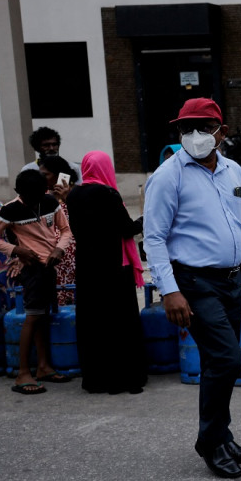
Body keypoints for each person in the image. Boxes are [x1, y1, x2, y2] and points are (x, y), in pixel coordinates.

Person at [143, 98, 241, 479]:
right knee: (227, 360)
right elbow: (154, 238)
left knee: (217, 363)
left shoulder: (233, 171)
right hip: (193, 282)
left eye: (204, 127)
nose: (195, 136)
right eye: (186, 128)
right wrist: (170, 291)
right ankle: (210, 442)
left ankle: (221, 435)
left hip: (231, 280)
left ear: (221, 132)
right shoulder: (168, 175)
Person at [66, 151, 148, 395]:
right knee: (120, 321)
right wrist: (145, 218)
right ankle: (126, 379)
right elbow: (126, 228)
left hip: (88, 269)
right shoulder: (108, 194)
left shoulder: (74, 195)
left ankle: (97, 378)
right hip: (113, 268)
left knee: (94, 322)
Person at [0, 170, 74, 394]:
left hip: (49, 266)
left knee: (42, 317)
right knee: (32, 317)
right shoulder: (11, 209)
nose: (33, 200)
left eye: (37, 195)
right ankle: (23, 373)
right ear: (18, 193)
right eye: (28, 196)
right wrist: (16, 250)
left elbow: (65, 230)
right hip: (31, 269)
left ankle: (43, 367)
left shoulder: (49, 201)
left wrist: (59, 249)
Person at [39, 155, 79, 306]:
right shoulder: (41, 199)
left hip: (74, 259)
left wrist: (68, 198)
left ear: (59, 175)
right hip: (52, 260)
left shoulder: (76, 194)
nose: (41, 178)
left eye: (46, 174)